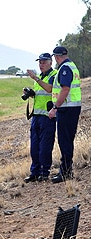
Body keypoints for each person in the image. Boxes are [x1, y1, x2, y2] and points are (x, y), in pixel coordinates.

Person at [48, 46, 81, 183]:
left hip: (67, 108)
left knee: (64, 140)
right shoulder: (72, 65)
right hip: (72, 107)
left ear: (56, 57)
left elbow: (65, 89)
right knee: (67, 140)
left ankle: (66, 172)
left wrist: (55, 107)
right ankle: (66, 170)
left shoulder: (65, 68)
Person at [24, 53, 57, 182]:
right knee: (34, 147)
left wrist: (36, 78)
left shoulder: (53, 75)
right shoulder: (40, 78)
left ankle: (44, 172)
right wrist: (31, 94)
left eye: (44, 62)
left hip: (48, 117)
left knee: (45, 147)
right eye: (40, 62)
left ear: (50, 63)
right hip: (37, 116)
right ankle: (34, 172)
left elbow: (49, 89)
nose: (41, 64)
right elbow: (41, 94)